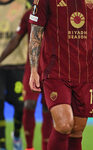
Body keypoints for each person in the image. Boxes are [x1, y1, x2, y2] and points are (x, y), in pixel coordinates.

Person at [28, 0, 93, 150]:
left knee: (77, 129)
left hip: (85, 73)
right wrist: (33, 69)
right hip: (55, 71)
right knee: (64, 124)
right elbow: (36, 32)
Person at [0, 4, 53, 150]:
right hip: (33, 67)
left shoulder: (56, 13)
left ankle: (45, 146)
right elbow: (16, 39)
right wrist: (1, 58)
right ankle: (29, 147)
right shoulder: (28, 15)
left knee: (47, 108)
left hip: (52, 68)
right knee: (28, 104)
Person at [0, 0, 27, 149]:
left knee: (20, 105)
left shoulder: (25, 4)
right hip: (0, 68)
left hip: (18, 65)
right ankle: (2, 143)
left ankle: (16, 135)